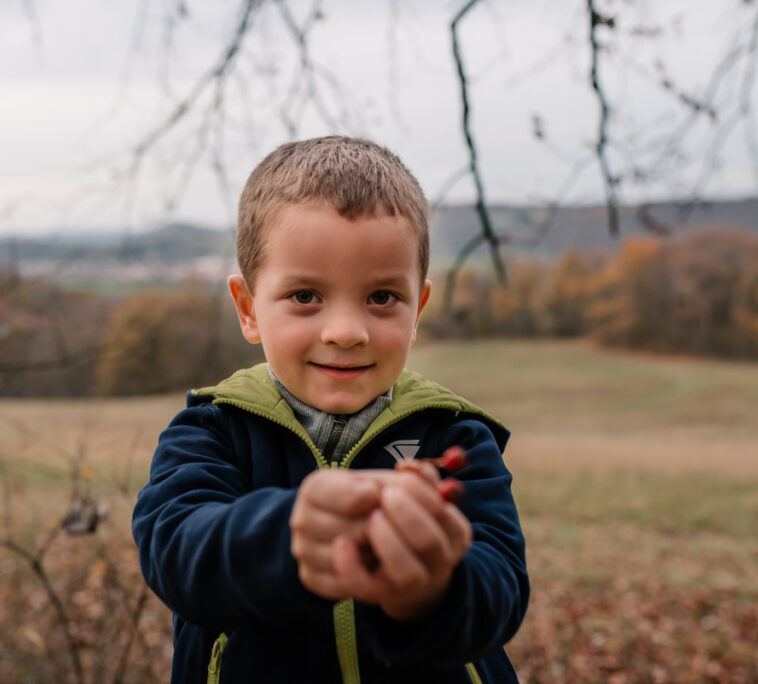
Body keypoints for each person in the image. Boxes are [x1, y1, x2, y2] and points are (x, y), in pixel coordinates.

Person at [132, 135, 529, 683]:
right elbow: (175, 549)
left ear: (419, 309)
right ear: (248, 309)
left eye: (382, 298)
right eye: (305, 297)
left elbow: (502, 593)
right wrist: (287, 535)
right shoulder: (211, 430)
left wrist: (431, 589)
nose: (346, 332)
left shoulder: (455, 440)